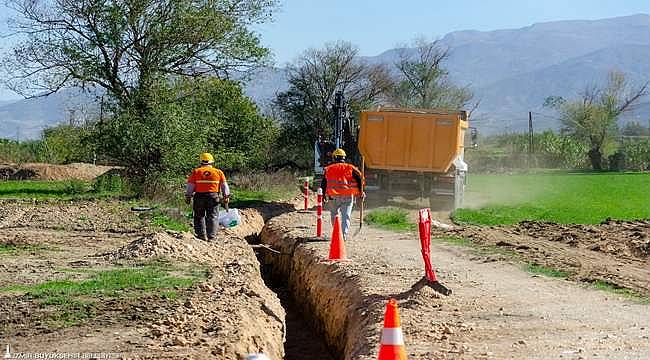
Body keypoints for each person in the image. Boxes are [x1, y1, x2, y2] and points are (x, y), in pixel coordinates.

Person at [320, 148, 365, 240]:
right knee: (346, 216)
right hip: (347, 196)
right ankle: (343, 236)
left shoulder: (328, 169)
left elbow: (324, 183)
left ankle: (337, 233)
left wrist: (323, 195)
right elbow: (359, 179)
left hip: (333, 196)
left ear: (334, 158)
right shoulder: (350, 168)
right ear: (344, 158)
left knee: (334, 215)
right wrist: (361, 192)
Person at [185, 152, 230, 240]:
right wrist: (226, 196)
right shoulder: (218, 172)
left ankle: (201, 235)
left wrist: (188, 196)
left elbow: (190, 186)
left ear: (201, 162)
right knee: (213, 216)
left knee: (199, 215)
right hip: (213, 196)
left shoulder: (196, 172)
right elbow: (224, 186)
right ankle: (211, 236)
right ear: (212, 162)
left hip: (199, 196)